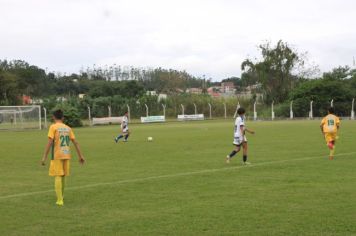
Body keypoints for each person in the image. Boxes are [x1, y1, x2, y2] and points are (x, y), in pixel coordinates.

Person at [41, 109, 85, 206]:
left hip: (57, 155)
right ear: (63, 118)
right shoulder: (68, 128)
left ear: (53, 117)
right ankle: (62, 195)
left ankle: (60, 200)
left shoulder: (53, 127)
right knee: (63, 175)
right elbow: (75, 142)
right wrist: (80, 156)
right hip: (66, 154)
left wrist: (44, 156)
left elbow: (49, 142)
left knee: (58, 175)